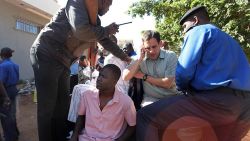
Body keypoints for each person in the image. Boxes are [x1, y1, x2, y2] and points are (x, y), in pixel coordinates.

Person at [136, 6, 250, 141]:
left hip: (214, 102)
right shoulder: (228, 38)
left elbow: (183, 72)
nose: (184, 32)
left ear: (195, 20)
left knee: (145, 116)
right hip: (245, 106)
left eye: (184, 27)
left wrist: (184, 91)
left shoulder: (199, 31)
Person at [29, 0, 131, 140]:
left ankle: (59, 137)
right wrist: (107, 30)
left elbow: (105, 41)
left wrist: (124, 56)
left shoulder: (96, 21)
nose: (108, 9)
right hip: (47, 53)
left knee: (62, 105)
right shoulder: (77, 2)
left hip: (63, 61)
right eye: (109, 4)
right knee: (47, 107)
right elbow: (81, 30)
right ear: (102, 1)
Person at [70, 64, 136, 141]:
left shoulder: (126, 102)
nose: (99, 79)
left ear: (114, 81)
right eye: (100, 75)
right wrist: (74, 136)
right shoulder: (87, 95)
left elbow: (132, 126)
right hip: (86, 138)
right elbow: (81, 117)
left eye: (103, 77)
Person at [123, 30, 178, 107]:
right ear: (143, 47)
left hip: (171, 97)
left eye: (154, 47)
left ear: (160, 43)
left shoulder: (170, 56)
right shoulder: (141, 59)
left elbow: (167, 83)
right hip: (150, 100)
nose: (151, 51)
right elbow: (125, 77)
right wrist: (139, 59)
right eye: (148, 48)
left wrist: (144, 76)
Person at [0, 47, 19, 141]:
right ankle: (16, 132)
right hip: (14, 89)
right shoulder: (15, 65)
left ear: (2, 55)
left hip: (5, 91)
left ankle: (11, 137)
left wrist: (5, 96)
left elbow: (1, 82)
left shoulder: (2, 66)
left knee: (6, 115)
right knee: (12, 113)